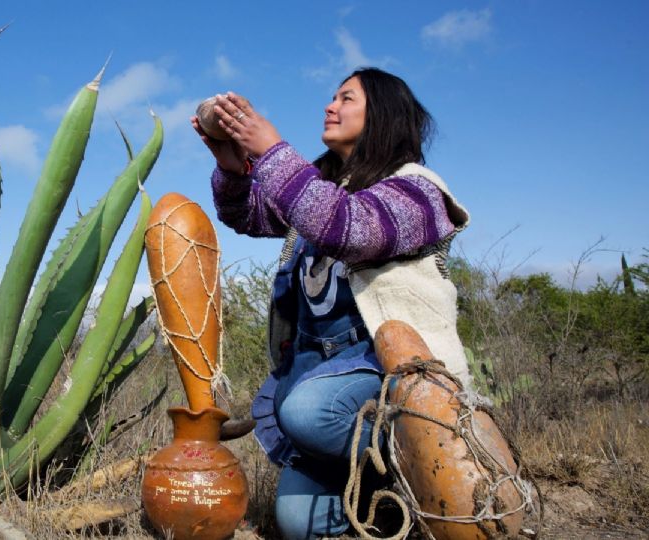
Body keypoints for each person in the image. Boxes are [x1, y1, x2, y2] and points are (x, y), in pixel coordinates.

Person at [191, 67, 472, 539]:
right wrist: (232, 165)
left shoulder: (417, 190)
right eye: (333, 97)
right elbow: (247, 215)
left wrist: (271, 150)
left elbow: (351, 229)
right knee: (298, 525)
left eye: (347, 98)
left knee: (306, 413)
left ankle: (431, 454)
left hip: (387, 374)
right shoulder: (324, 189)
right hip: (317, 375)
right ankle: (377, 496)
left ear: (382, 115)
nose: (330, 106)